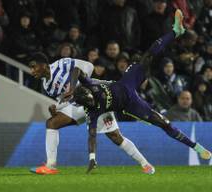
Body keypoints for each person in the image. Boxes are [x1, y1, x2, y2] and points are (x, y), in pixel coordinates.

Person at [72, 10, 211, 173]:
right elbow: (92, 136)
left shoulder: (91, 85)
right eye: (88, 102)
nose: (91, 101)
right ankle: (197, 148)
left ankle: (175, 31)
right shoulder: (93, 112)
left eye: (89, 98)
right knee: (163, 123)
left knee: (148, 56)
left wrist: (70, 86)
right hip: (131, 105)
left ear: (88, 91)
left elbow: (76, 70)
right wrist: (92, 159)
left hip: (127, 82)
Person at [28, 53, 154, 175]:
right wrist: (57, 108)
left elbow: (89, 67)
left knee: (115, 136)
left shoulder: (62, 64)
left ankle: (145, 164)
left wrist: (81, 88)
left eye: (34, 66)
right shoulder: (47, 86)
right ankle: (51, 165)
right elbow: (66, 100)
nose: (32, 71)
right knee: (52, 123)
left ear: (43, 65)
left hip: (95, 98)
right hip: (79, 105)